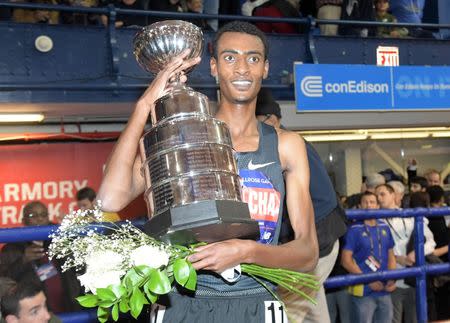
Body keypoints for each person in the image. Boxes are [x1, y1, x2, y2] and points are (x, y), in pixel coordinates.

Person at [98, 20, 318, 321]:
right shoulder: (182, 132)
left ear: (265, 68)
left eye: (252, 58)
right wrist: (144, 106)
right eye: (230, 57)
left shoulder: (286, 146)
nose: (242, 68)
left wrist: (245, 252)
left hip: (254, 302)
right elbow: (110, 199)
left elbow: (307, 252)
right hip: (183, 302)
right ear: (213, 67)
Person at [255, 88, 347, 322]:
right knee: (313, 309)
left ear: (270, 120)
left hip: (318, 238)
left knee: (288, 309)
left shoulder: (284, 146)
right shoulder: (285, 143)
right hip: (320, 235)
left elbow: (317, 200)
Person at [0, 202, 81, 314]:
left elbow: (79, 266)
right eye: (33, 216)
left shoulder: (59, 239)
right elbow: (4, 280)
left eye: (43, 215)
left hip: (69, 306)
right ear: (23, 221)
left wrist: (69, 231)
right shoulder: (12, 247)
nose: (39, 219)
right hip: (35, 312)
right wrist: (23, 260)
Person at [375, 184, 436, 323]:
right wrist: (396, 259)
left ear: (393, 195)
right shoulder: (374, 221)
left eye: (382, 194)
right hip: (391, 281)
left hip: (414, 279)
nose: (379, 198)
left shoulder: (410, 216)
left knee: (415, 319)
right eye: (377, 195)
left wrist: (416, 253)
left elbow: (431, 242)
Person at [341, 191, 397, 323]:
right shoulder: (354, 229)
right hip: (363, 290)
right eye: (365, 202)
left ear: (378, 206)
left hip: (384, 289)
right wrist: (368, 280)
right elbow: (345, 261)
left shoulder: (384, 227)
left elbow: (391, 255)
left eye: (372, 202)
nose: (368, 205)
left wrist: (392, 278)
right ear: (360, 206)